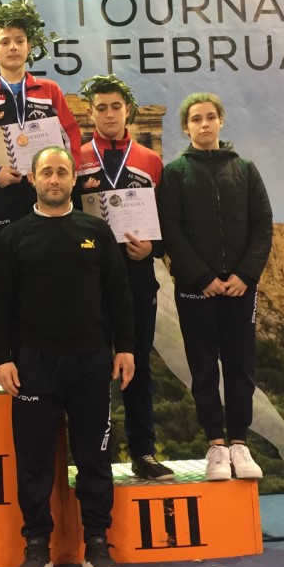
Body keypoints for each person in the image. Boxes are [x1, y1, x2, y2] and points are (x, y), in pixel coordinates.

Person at [0, 145, 136, 567]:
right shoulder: (14, 236)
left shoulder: (96, 231)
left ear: (74, 180)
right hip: (33, 365)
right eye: (47, 172)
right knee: (33, 462)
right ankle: (37, 546)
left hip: (91, 361)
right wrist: (3, 358)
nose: (54, 179)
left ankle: (97, 543)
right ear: (33, 179)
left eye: (62, 172)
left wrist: (125, 346)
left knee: (95, 458)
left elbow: (119, 293)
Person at [157, 92, 273, 481]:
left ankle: (240, 443)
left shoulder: (245, 169)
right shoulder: (175, 173)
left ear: (220, 121)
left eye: (210, 117)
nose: (204, 124)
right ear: (185, 127)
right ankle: (216, 447)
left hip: (241, 288)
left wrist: (246, 275)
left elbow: (262, 224)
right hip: (196, 289)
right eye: (196, 119)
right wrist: (202, 277)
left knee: (241, 365)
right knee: (203, 367)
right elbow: (170, 228)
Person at [75, 75, 175, 483]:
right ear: (91, 114)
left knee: (139, 367)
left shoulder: (150, 161)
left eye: (116, 106)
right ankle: (93, 455)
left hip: (137, 276)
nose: (109, 114)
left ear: (127, 111)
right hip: (90, 280)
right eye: (101, 108)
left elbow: (167, 223)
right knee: (93, 369)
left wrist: (153, 248)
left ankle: (143, 452)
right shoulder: (78, 158)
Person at [0, 0, 81, 251]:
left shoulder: (50, 91)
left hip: (46, 195)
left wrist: (61, 176)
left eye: (19, 41)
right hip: (1, 197)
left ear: (29, 46)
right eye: (5, 42)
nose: (13, 47)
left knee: (51, 260)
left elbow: (71, 140)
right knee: (6, 264)